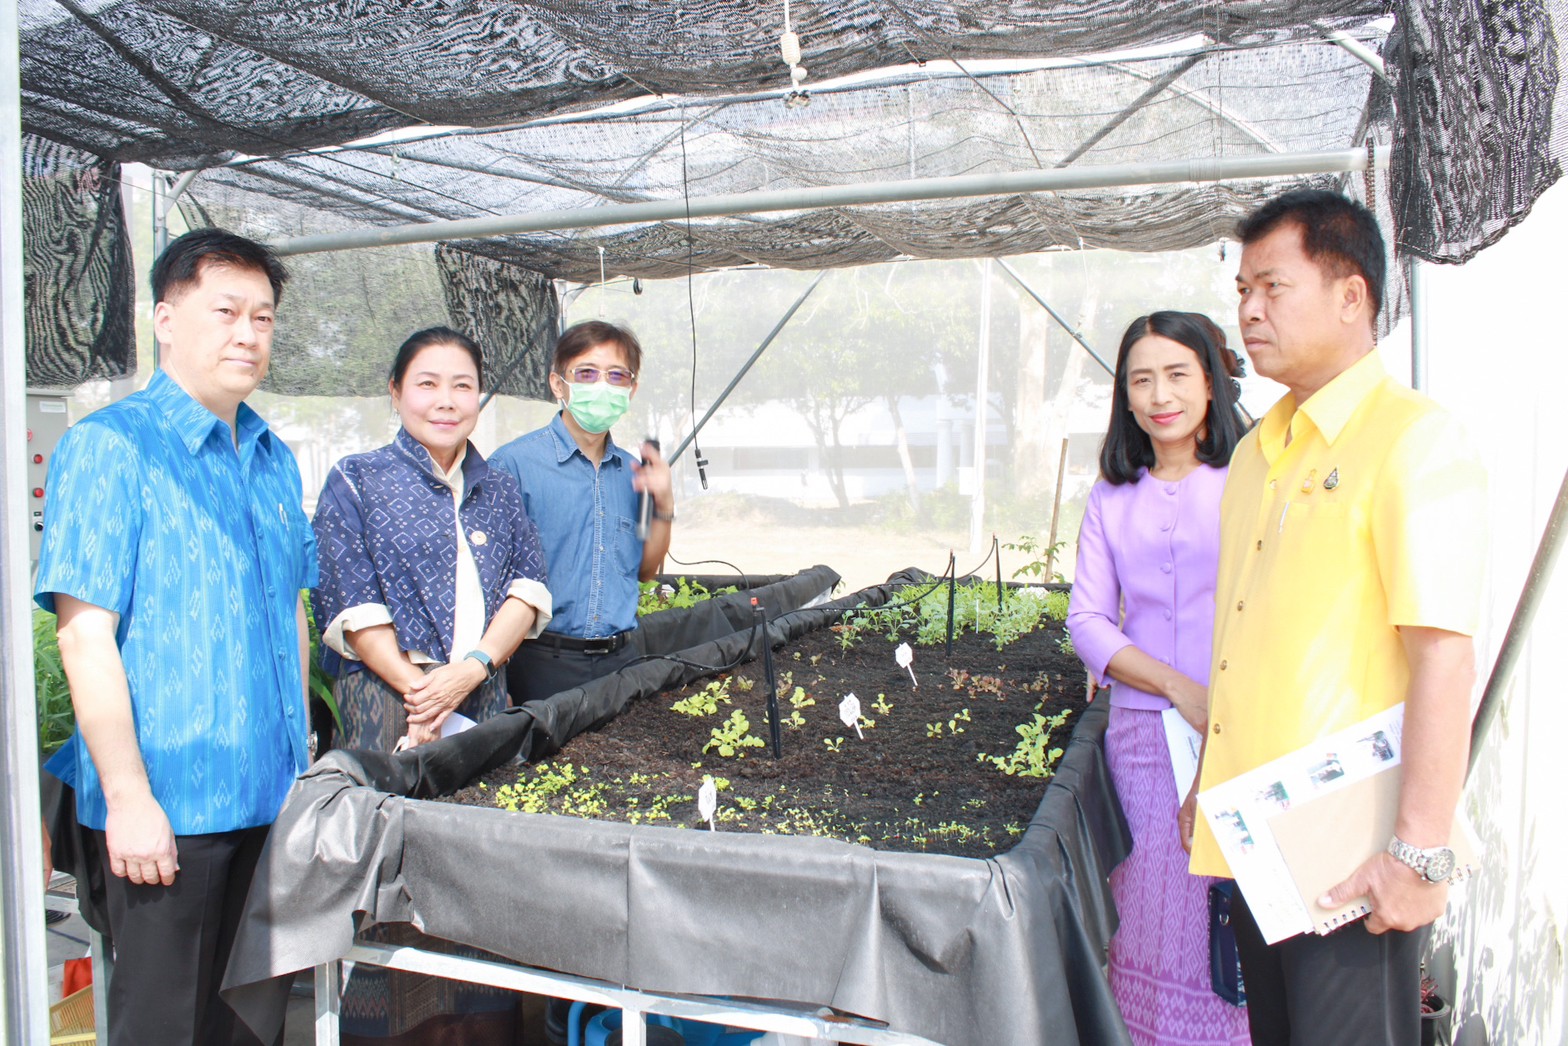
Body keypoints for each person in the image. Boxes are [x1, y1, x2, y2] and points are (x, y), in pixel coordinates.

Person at [1181, 189, 1487, 1045]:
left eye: (1272, 287)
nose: (1247, 309)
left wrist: (1419, 858)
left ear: (1352, 295)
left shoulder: (1414, 441)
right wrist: (1208, 774)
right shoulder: (1254, 453)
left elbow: (1442, 658)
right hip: (1258, 835)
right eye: (1242, 288)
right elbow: (1242, 636)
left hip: (1354, 849)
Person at [34, 228, 311, 1046]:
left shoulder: (272, 458)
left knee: (253, 1024)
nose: (247, 334)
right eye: (225, 310)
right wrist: (127, 799)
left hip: (269, 798)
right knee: (164, 1026)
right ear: (165, 318)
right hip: (170, 809)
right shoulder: (113, 448)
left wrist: (299, 773)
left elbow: (289, 612)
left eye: (263, 318)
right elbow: (85, 636)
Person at [309, 326, 553, 1044]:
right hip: (388, 707)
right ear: (396, 392)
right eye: (427, 383)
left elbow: (528, 587)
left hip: (479, 702)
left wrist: (470, 672)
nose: (445, 401)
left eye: (461, 385)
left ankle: (481, 1025)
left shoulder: (499, 487)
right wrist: (422, 692)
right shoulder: (357, 478)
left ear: (480, 397)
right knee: (393, 871)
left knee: (476, 873)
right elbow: (350, 604)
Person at [1067, 311, 1251, 1046]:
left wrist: (1220, 709)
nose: (1158, 395)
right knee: (1147, 908)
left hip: (1243, 729)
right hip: (1143, 741)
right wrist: (1179, 689)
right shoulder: (1112, 495)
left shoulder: (1252, 479)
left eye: (1177, 373)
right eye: (1140, 379)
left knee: (1232, 913)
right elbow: (1088, 621)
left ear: (1211, 380)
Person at [490, 319, 674, 706]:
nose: (602, 386)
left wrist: (664, 506)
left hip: (621, 661)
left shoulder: (633, 472)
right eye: (586, 373)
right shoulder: (513, 465)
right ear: (559, 384)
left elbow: (644, 570)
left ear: (631, 389)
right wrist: (494, 676)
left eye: (616, 376)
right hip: (538, 661)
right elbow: (486, 579)